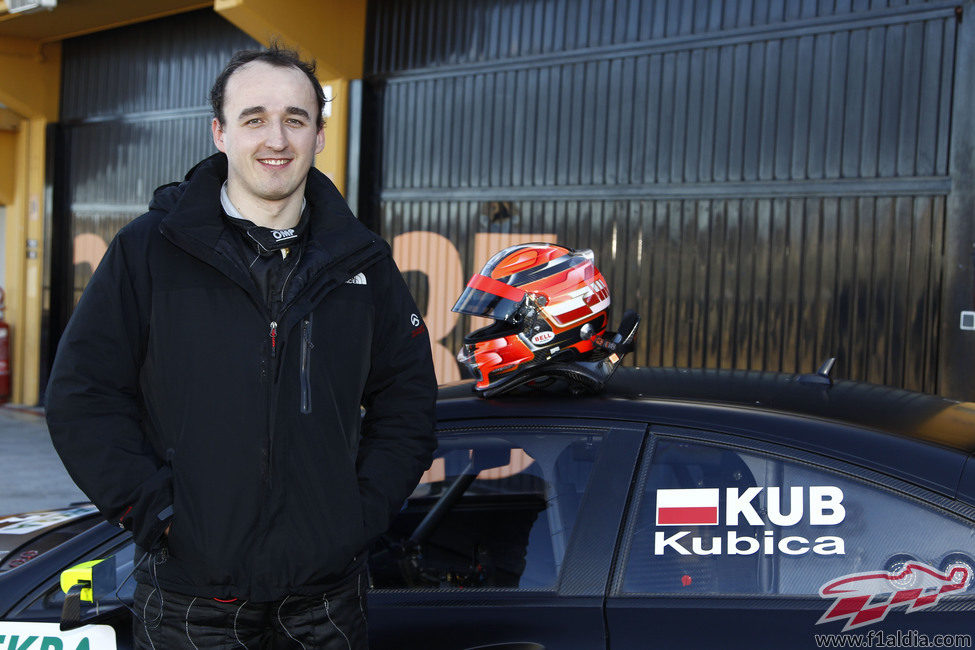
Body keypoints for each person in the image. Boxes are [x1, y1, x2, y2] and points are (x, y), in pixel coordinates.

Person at [45, 44, 438, 649]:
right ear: (220, 133)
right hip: (189, 601)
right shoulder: (149, 250)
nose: (275, 138)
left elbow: (407, 403)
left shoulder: (362, 263)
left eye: (295, 119)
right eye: (254, 118)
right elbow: (82, 395)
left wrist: (354, 518)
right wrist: (157, 514)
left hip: (326, 605)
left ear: (319, 136)